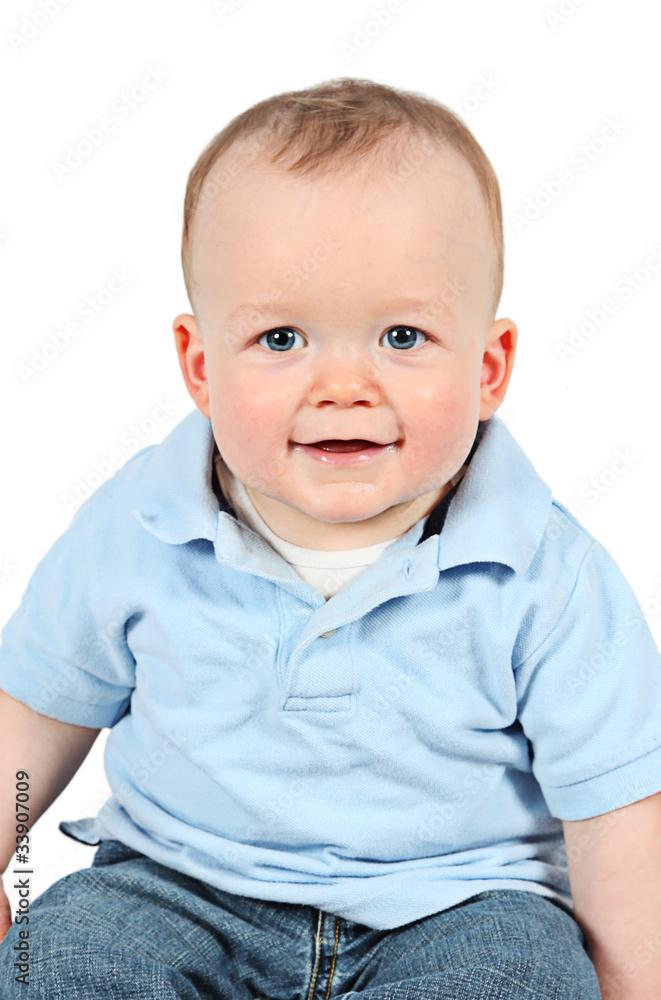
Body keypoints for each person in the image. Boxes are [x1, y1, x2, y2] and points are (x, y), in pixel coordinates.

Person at [0, 76, 659, 1000]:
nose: (342, 384)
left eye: (400, 335)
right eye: (279, 339)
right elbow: (32, 714)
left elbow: (619, 816)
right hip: (177, 889)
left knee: (523, 977)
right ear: (198, 365)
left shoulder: (547, 574)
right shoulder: (140, 525)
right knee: (60, 955)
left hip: (459, 907)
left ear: (487, 367)